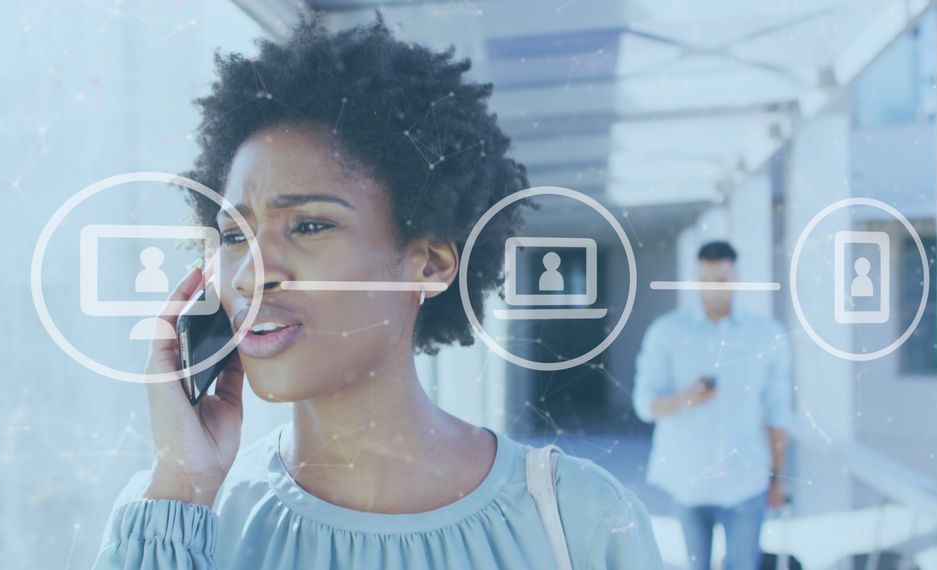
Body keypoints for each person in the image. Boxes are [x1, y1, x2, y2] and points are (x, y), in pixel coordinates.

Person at [92, 19, 661, 570]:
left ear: (430, 264)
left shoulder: (580, 520)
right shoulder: (182, 516)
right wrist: (184, 490)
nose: (249, 274)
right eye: (235, 235)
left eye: (310, 225)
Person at [632, 241, 792, 570]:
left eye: (722, 280)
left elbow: (777, 412)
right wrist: (684, 399)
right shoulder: (667, 332)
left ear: (737, 278)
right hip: (689, 480)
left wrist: (778, 478)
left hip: (746, 479)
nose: (714, 289)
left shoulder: (766, 335)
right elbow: (644, 404)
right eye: (706, 281)